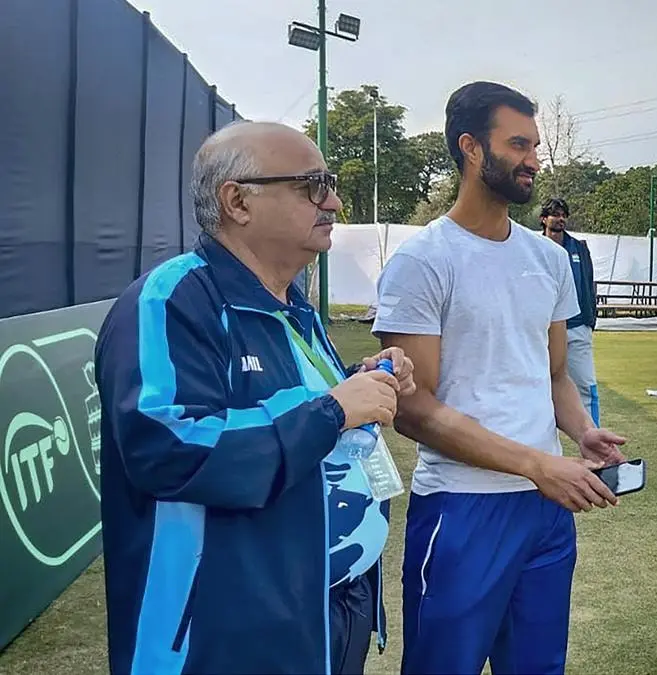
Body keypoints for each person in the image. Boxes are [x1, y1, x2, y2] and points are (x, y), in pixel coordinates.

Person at [94, 120, 417, 675]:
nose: (334, 201)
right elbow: (169, 449)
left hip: (330, 607)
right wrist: (334, 409)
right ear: (237, 201)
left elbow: (302, 412)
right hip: (228, 637)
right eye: (312, 185)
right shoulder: (169, 301)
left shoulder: (293, 304)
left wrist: (363, 384)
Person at [371, 81, 628, 675]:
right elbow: (414, 410)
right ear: (471, 148)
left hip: (544, 511)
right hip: (464, 507)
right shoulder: (423, 261)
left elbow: (555, 373)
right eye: (518, 144)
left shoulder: (548, 258)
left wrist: (582, 431)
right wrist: (537, 464)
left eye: (535, 145)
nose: (534, 159)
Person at [540, 197, 601, 424]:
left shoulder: (578, 248)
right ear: (544, 219)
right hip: (542, 329)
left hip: (576, 327)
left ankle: (595, 441)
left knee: (586, 385)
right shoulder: (534, 249)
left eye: (564, 215)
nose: (561, 219)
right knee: (538, 385)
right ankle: (539, 444)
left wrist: (589, 320)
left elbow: (588, 281)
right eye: (555, 214)